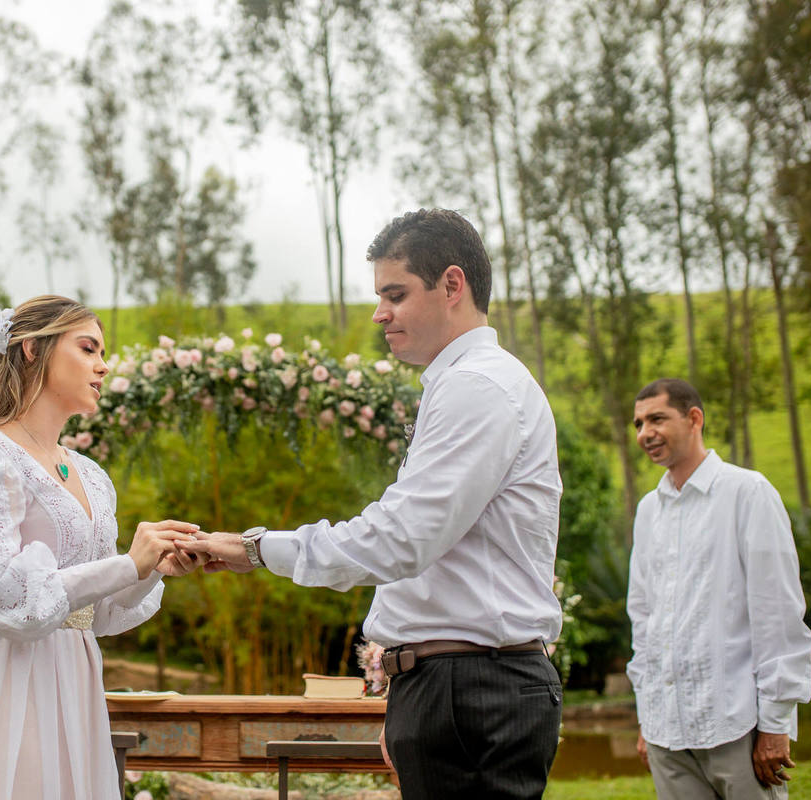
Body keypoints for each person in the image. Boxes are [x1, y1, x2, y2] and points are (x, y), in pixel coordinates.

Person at [181, 209, 564, 800]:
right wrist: (403, 687)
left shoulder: (478, 387)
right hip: (453, 687)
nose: (379, 312)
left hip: (472, 690)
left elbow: (400, 539)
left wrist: (256, 549)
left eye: (395, 293)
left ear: (452, 285)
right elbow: (433, 555)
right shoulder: (461, 385)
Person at [0, 296, 201, 800]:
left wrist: (152, 568)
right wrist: (128, 562)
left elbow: (102, 615)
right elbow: (6, 600)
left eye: (102, 353)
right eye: (88, 348)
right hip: (8, 686)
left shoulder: (91, 475)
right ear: (30, 350)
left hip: (76, 690)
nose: (103, 365)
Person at [627, 378, 811, 799]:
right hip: (666, 734)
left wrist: (776, 725)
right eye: (638, 423)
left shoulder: (748, 493)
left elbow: (777, 612)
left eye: (657, 418)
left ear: (695, 418)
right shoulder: (647, 511)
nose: (644, 434)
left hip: (735, 723)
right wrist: (648, 715)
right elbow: (643, 618)